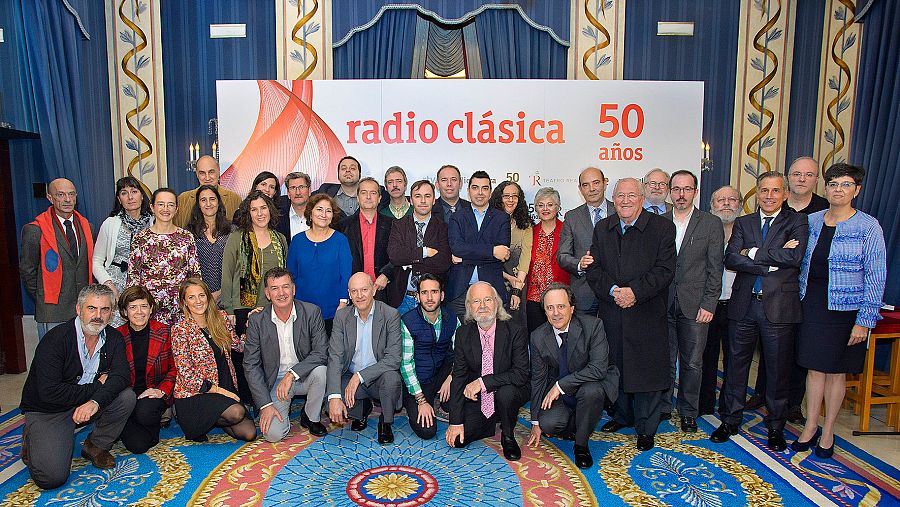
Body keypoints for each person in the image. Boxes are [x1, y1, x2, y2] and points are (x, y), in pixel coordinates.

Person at [792, 163, 886, 459]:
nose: (838, 190)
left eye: (846, 185)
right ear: (826, 188)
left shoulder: (868, 226)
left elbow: (876, 275)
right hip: (812, 304)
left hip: (846, 311)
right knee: (813, 369)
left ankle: (828, 430)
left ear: (856, 190)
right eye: (833, 184)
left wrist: (865, 321)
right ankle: (810, 426)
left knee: (835, 372)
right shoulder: (812, 221)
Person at [711, 171, 808, 452]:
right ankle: (730, 420)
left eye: (775, 191)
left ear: (785, 194)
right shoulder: (744, 222)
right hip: (744, 304)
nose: (769, 196)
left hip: (778, 307)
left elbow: (794, 257)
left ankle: (776, 426)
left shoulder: (797, 222)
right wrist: (771, 260)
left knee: (777, 370)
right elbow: (731, 258)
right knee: (735, 366)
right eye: (764, 190)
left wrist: (752, 253)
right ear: (757, 193)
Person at [588, 178, 675, 452]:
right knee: (616, 366)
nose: (625, 201)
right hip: (613, 310)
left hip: (646, 311)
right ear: (613, 199)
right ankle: (622, 416)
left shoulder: (662, 227)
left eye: (631, 195)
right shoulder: (603, 228)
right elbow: (593, 268)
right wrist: (614, 290)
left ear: (642, 198)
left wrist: (634, 292)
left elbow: (665, 270)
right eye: (620, 196)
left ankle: (646, 427)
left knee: (646, 371)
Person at [19, 284, 135, 490]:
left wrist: (95, 402)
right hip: (50, 409)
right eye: (91, 308)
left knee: (126, 397)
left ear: (111, 313)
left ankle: (95, 445)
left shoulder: (114, 338)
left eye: (105, 309)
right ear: (78, 309)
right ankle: (32, 436)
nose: (98, 316)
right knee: (51, 478)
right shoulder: (55, 340)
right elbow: (49, 392)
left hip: (86, 402)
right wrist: (95, 389)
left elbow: (121, 376)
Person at [748, 157, 828, 422]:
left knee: (795, 351)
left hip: (805, 291)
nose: (801, 179)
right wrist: (775, 253)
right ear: (788, 179)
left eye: (808, 174)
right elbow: (765, 252)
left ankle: (792, 404)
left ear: (816, 179)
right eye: (796, 174)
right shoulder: (770, 206)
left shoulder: (823, 210)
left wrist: (756, 253)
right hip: (768, 292)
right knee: (768, 348)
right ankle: (761, 393)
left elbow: (796, 257)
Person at [527, 283, 618, 469]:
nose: (556, 313)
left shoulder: (593, 326)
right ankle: (575, 424)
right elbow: (538, 379)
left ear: (572, 308)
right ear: (544, 311)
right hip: (561, 393)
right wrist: (535, 422)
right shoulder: (538, 336)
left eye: (561, 306)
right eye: (550, 308)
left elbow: (598, 368)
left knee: (592, 392)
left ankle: (581, 445)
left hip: (589, 384)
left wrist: (560, 385)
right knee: (548, 424)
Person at [660, 171, 723, 432]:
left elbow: (715, 268)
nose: (681, 194)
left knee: (692, 363)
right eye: (676, 189)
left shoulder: (710, 223)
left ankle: (688, 411)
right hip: (663, 304)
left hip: (696, 305)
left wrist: (709, 304)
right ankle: (663, 406)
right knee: (664, 359)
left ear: (695, 192)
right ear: (669, 192)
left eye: (686, 189)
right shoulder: (660, 222)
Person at [445, 282, 529, 461]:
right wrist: (455, 421)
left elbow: (521, 374)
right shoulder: (463, 334)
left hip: (509, 389)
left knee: (506, 394)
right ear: (469, 307)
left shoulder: (515, 331)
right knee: (458, 440)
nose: (482, 306)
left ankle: (508, 435)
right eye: (476, 301)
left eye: (487, 300)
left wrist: (483, 382)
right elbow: (459, 377)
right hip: (481, 398)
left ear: (497, 303)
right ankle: (492, 418)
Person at [243, 267, 329, 442]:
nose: (281, 293)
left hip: (304, 375)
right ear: (267, 293)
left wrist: (292, 374)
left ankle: (311, 417)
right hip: (275, 381)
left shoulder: (311, 312)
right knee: (273, 435)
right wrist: (266, 405)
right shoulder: (257, 320)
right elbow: (250, 365)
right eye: (275, 288)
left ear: (293, 289)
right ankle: (283, 408)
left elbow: (321, 352)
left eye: (285, 287)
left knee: (321, 371)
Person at [170, 278, 256, 442]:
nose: (198, 301)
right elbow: (186, 376)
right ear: (184, 302)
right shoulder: (180, 330)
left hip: (224, 387)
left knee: (249, 434)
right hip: (196, 395)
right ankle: (197, 422)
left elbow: (238, 347)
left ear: (208, 297)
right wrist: (222, 392)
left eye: (201, 295)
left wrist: (250, 324)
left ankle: (217, 417)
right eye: (191, 297)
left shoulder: (221, 318)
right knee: (237, 412)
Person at [327, 273, 403, 445]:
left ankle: (385, 421)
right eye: (354, 291)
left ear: (374, 290)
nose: (359, 295)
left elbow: (393, 359)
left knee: (392, 378)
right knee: (331, 394)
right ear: (349, 294)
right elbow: (335, 357)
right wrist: (334, 396)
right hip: (351, 376)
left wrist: (359, 377)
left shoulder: (390, 314)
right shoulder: (341, 317)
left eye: (364, 290)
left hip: (379, 377)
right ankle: (361, 409)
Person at [21, 178, 94, 338]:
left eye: (71, 194)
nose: (67, 199)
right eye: (60, 195)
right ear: (50, 198)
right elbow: (28, 271)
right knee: (53, 354)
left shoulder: (87, 227)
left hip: (84, 309)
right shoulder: (35, 230)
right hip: (52, 311)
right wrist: (45, 294)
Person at [128, 188, 202, 325]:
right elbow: (133, 277)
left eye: (170, 205)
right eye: (161, 204)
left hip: (181, 310)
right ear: (152, 207)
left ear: (176, 209)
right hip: (149, 311)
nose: (165, 209)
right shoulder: (141, 238)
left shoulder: (186, 237)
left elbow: (195, 276)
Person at [116, 286, 175, 454]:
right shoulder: (116, 336)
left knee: (145, 413)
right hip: (126, 395)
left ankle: (140, 419)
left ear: (151, 309)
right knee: (138, 446)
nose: (139, 312)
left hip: (153, 393)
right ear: (125, 311)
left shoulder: (165, 332)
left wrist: (161, 391)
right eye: (133, 307)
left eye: (144, 306)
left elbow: (174, 368)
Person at [698, 186, 742, 416]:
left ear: (740, 205)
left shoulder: (748, 231)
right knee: (706, 356)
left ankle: (729, 407)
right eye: (720, 200)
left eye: (732, 199)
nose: (726, 204)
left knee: (735, 359)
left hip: (737, 304)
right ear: (711, 206)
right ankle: (704, 403)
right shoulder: (704, 229)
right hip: (708, 304)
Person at [400, 274, 458, 440]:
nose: (430, 297)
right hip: (418, 380)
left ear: (442, 295)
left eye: (434, 292)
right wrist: (421, 401)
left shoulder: (452, 318)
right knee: (427, 431)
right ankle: (418, 402)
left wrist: (451, 377)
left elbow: (461, 353)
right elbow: (406, 364)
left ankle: (442, 402)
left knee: (458, 406)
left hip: (441, 374)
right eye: (424, 293)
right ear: (418, 297)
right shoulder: (408, 321)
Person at [447, 171, 511, 317]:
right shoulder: (457, 217)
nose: (480, 193)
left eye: (485, 188)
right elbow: (457, 248)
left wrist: (465, 258)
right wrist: (492, 251)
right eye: (475, 188)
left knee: (493, 332)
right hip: (460, 292)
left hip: (492, 290)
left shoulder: (502, 218)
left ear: (490, 192)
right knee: (461, 331)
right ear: (468, 191)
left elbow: (502, 254)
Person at [93, 176, 154, 327]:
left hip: (146, 286)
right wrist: (109, 285)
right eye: (124, 193)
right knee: (117, 331)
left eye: (134, 191)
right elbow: (96, 261)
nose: (130, 197)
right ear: (119, 199)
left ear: (142, 196)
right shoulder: (110, 224)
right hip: (116, 286)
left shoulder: (154, 222)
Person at [287, 194, 353, 334]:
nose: (324, 214)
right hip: (302, 310)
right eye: (319, 209)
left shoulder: (340, 240)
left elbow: (346, 275)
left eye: (328, 211)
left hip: (333, 311)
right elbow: (291, 276)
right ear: (310, 213)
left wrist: (343, 303)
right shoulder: (297, 241)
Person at [387, 180, 451, 315]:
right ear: (411, 200)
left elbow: (443, 262)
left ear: (434, 200)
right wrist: (424, 252)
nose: (423, 201)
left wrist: (409, 262)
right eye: (418, 196)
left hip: (431, 300)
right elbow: (395, 256)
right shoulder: (399, 225)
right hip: (402, 299)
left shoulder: (443, 228)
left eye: (427, 196)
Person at [221, 191, 289, 315]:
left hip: (273, 307)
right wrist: (228, 310)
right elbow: (227, 275)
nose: (260, 213)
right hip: (242, 308)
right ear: (248, 213)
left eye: (263, 208)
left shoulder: (280, 239)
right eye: (254, 209)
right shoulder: (237, 237)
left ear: (270, 210)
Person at [558, 167, 614, 317]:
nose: (592, 189)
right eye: (586, 185)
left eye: (596, 183)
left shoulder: (620, 211)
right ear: (580, 189)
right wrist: (579, 264)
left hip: (616, 291)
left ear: (605, 183)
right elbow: (562, 255)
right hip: (584, 293)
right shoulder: (572, 217)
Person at [337, 177, 395, 302]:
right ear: (357, 198)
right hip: (354, 292)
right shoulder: (343, 226)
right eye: (364, 193)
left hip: (383, 290)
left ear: (379, 198)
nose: (368, 197)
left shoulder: (392, 225)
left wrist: (386, 274)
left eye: (373, 193)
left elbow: (398, 255)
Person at [525, 188, 570, 333]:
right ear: (535, 208)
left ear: (558, 207)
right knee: (536, 338)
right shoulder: (530, 232)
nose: (545, 209)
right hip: (534, 298)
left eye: (550, 205)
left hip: (559, 297)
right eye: (541, 205)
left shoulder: (567, 230)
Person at [490, 181, 532, 321]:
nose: (511, 200)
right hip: (493, 280)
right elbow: (486, 257)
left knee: (517, 325)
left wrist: (517, 289)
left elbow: (525, 258)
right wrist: (507, 278)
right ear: (499, 198)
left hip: (518, 282)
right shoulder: (489, 223)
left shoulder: (525, 225)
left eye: (514, 196)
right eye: (506, 196)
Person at [186, 185, 234, 303]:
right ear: (198, 204)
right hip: (199, 299)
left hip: (229, 297)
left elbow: (238, 267)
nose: (208, 204)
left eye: (212, 199)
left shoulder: (232, 231)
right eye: (203, 200)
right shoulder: (189, 233)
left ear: (218, 202)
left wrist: (220, 293)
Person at [174, 155, 242, 227]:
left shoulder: (234, 199)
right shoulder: (184, 199)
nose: (207, 178)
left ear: (218, 171)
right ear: (197, 174)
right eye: (202, 173)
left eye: (211, 172)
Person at [314, 155, 388, 217]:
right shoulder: (325, 191)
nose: (348, 171)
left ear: (360, 174)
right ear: (338, 174)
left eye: (352, 168)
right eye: (343, 168)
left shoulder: (378, 193)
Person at [276, 171, 312, 242]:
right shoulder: (278, 218)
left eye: (301, 187)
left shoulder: (320, 215)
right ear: (288, 193)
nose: (298, 192)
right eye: (293, 188)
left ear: (309, 191)